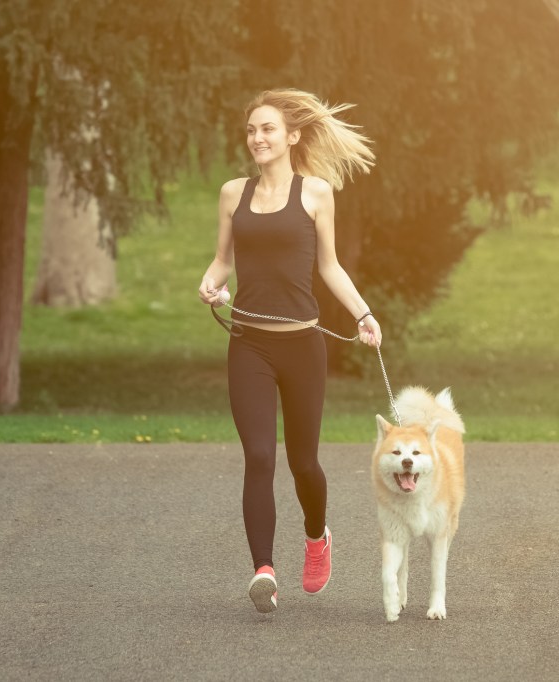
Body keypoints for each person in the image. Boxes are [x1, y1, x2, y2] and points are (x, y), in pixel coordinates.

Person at [198, 89, 381, 614]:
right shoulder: (234, 193)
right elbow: (221, 262)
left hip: (303, 345)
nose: (258, 138)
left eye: (268, 129)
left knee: (303, 463)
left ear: (292, 136)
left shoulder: (317, 193)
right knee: (258, 456)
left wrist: (364, 315)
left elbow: (330, 267)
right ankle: (264, 572)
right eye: (252, 130)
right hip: (249, 344)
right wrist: (209, 285)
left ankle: (318, 537)